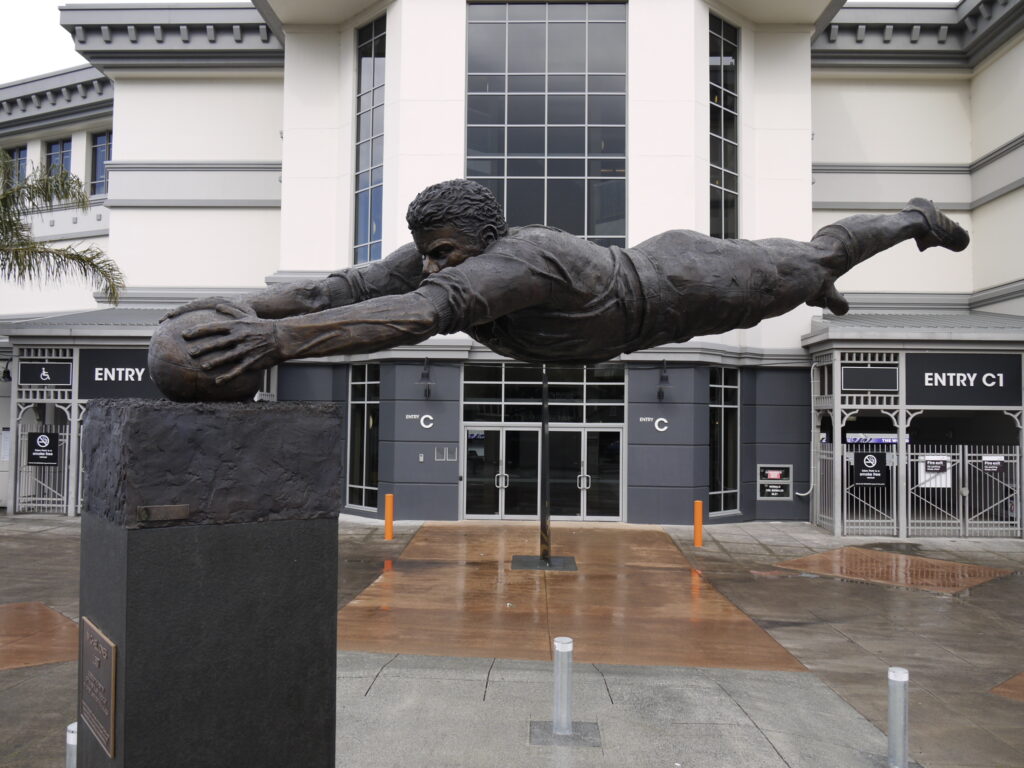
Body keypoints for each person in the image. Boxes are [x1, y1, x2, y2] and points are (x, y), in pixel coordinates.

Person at [166, 179, 969, 385]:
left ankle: (912, 217)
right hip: (636, 307)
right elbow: (330, 292)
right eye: (429, 254)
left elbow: (413, 319)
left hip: (685, 281)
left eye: (447, 252)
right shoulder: (441, 254)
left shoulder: (517, 260)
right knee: (803, 267)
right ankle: (811, 283)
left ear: (484, 241)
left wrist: (269, 344)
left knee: (814, 257)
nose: (435, 265)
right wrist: (240, 305)